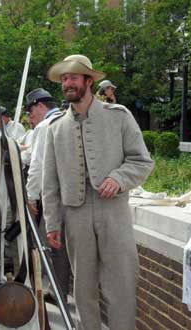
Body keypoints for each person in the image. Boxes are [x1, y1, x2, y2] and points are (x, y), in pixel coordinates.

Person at [43, 54, 154, 330]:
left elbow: (142, 161)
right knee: (82, 289)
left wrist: (119, 178)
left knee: (122, 285)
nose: (67, 83)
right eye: (64, 78)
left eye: (73, 77)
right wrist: (52, 222)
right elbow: (50, 181)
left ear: (89, 81)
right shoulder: (55, 128)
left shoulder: (119, 117)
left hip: (113, 212)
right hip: (76, 216)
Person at [24, 88, 71, 302]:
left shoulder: (45, 126)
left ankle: (58, 292)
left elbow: (38, 165)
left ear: (41, 106)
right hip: (74, 194)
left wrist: (31, 195)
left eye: (31, 111)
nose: (30, 117)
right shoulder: (69, 119)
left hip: (55, 196)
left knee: (55, 245)